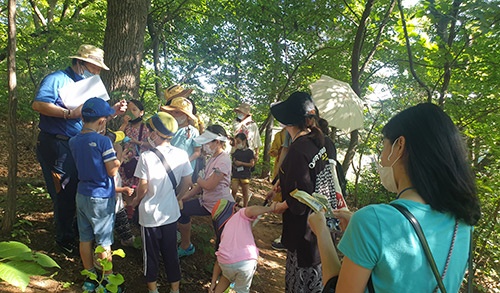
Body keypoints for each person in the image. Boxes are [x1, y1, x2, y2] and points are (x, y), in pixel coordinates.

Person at [311, 103, 481, 292]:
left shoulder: (371, 221)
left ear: (399, 145)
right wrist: (363, 233)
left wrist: (322, 232)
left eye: (383, 144)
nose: (382, 158)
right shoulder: (464, 220)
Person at [32, 44, 126, 256]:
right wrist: (68, 114)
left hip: (78, 144)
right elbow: (38, 105)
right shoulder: (57, 79)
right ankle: (65, 239)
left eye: (98, 68)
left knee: (77, 187)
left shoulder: (89, 84)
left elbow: (93, 115)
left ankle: (79, 233)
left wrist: (113, 112)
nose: (97, 71)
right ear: (80, 62)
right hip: (57, 144)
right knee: (62, 191)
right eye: (94, 66)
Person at [271, 91, 336, 293]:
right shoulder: (325, 142)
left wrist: (279, 205)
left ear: (287, 122)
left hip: (304, 233)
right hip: (325, 227)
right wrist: (285, 182)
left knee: (301, 284)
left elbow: (299, 202)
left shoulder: (298, 150)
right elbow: (318, 177)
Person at [131, 112, 193, 293]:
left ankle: (153, 290)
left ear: (157, 133)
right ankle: (175, 290)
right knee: (171, 254)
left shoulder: (146, 157)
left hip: (149, 215)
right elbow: (188, 182)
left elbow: (142, 187)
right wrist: (177, 197)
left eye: (151, 130)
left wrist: (135, 201)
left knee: (150, 255)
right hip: (171, 213)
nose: (149, 133)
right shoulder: (182, 154)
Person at [68, 98, 122, 292]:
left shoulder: (74, 140)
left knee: (85, 238)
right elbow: (112, 171)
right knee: (104, 241)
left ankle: (90, 278)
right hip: (100, 196)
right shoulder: (103, 141)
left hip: (81, 193)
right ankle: (107, 280)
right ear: (101, 121)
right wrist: (121, 157)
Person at [177, 125, 235, 258]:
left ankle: (224, 272)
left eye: (209, 142)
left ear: (218, 142)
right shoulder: (212, 158)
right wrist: (182, 198)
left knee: (222, 239)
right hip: (206, 202)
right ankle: (186, 246)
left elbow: (209, 185)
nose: (205, 146)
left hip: (221, 206)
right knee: (183, 210)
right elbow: (200, 186)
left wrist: (197, 178)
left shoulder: (224, 160)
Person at [209, 199, 278, 293]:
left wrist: (213, 282)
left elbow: (218, 260)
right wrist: (270, 208)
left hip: (225, 262)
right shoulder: (240, 214)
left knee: (227, 276)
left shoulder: (223, 232)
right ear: (233, 210)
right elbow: (250, 210)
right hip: (245, 261)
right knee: (242, 290)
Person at [160, 97, 202, 181]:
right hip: (166, 167)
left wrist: (185, 162)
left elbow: (197, 152)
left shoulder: (193, 131)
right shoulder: (168, 129)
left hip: (184, 171)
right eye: (171, 112)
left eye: (177, 112)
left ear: (187, 115)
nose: (173, 115)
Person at [231, 133, 255, 207]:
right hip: (236, 173)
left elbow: (252, 164)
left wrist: (241, 163)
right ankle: (232, 206)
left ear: (244, 141)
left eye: (238, 142)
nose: (237, 144)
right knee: (234, 190)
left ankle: (245, 207)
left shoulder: (250, 152)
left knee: (245, 192)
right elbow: (233, 160)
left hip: (245, 175)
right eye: (236, 142)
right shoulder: (236, 151)